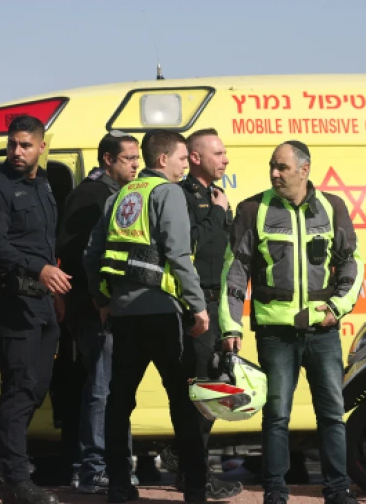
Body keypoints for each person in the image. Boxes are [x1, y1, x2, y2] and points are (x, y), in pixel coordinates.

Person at [219, 140, 364, 504]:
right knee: (277, 416)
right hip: (275, 333)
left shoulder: (333, 207)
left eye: (281, 167)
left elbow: (351, 262)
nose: (274, 173)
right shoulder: (254, 208)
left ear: (304, 169)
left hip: (322, 332)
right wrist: (231, 326)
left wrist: (338, 307)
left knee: (332, 413)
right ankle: (275, 492)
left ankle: (337, 490)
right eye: (272, 166)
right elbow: (233, 273)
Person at [84, 128, 212, 504]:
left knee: (119, 401)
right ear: (162, 160)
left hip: (123, 316)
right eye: (182, 157)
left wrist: (101, 299)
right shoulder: (168, 193)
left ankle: (119, 486)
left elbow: (92, 255)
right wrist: (198, 306)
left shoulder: (120, 194)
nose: (186, 164)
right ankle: (195, 488)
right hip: (162, 314)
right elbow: (178, 255)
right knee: (181, 401)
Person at [0, 115, 71, 504]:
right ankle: (15, 480)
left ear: (41, 147)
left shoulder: (44, 184)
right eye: (13, 144)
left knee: (37, 386)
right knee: (18, 388)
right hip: (12, 300)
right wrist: (39, 270)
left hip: (43, 302)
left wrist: (54, 286)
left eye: (26, 145)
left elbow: (46, 244)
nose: (17, 151)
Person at [158, 128, 242, 499]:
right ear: (194, 157)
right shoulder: (184, 195)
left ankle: (186, 463)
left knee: (211, 389)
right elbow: (188, 246)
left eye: (225, 153)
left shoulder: (215, 195)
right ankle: (193, 473)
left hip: (217, 301)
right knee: (202, 391)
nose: (225, 159)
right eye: (218, 153)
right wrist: (219, 214)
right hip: (194, 305)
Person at [56, 131, 141, 494]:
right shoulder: (90, 196)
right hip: (95, 310)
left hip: (112, 308)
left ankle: (112, 462)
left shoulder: (118, 194)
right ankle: (94, 466)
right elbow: (75, 252)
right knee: (102, 388)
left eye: (138, 159)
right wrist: (99, 298)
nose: (137, 165)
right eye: (129, 159)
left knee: (113, 388)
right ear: (108, 160)